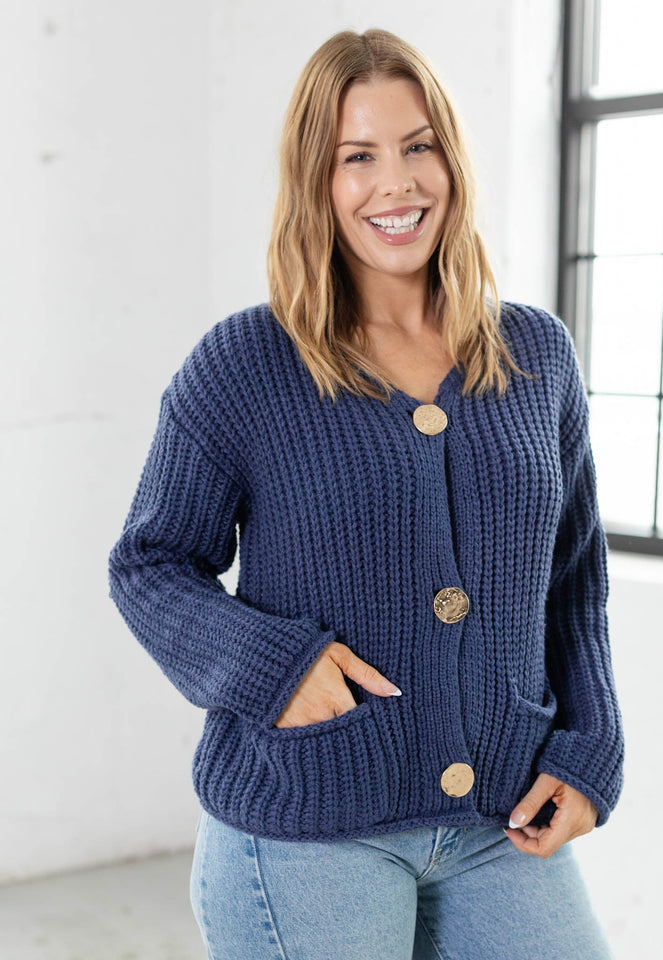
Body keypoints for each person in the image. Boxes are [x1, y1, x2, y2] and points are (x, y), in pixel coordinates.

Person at [108, 27, 624, 960]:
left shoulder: (535, 355)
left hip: (502, 820)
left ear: (451, 162)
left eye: (418, 146)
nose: (398, 184)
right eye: (359, 157)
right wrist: (274, 669)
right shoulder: (246, 365)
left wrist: (591, 748)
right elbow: (150, 563)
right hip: (309, 823)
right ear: (318, 179)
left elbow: (574, 579)